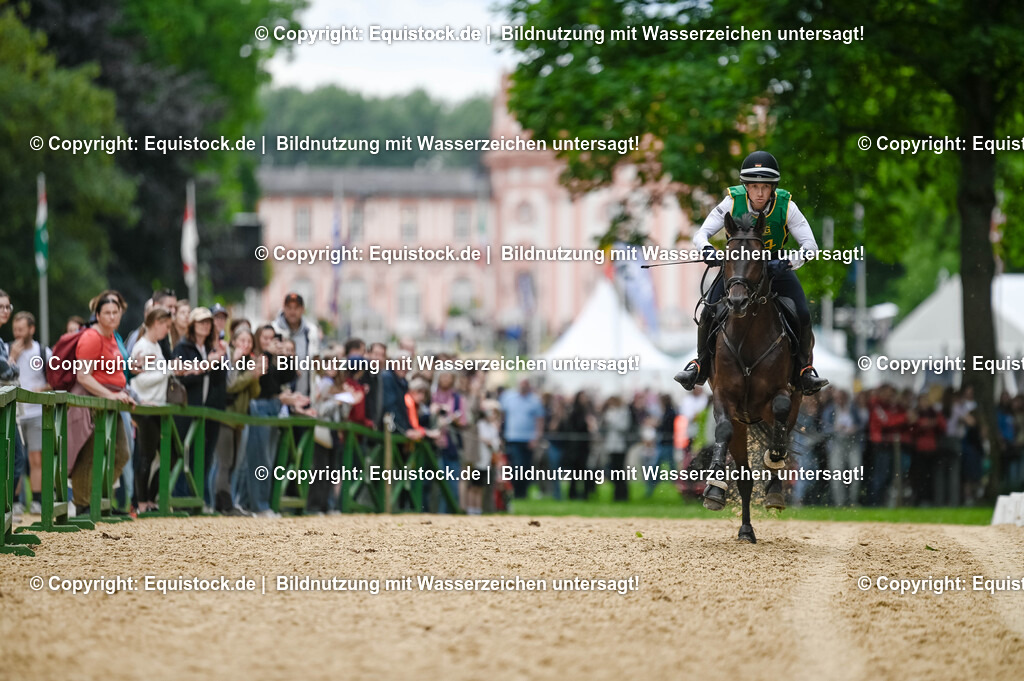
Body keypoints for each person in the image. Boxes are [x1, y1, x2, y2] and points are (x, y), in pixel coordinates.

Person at [675, 151, 829, 395]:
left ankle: (804, 370)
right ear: (745, 187)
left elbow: (810, 247)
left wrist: (788, 263)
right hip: (738, 269)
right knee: (708, 312)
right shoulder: (730, 203)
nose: (759, 193)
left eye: (765, 187)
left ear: (773, 188)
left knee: (801, 313)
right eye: (754, 186)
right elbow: (700, 235)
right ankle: (700, 364)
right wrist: (709, 251)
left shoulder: (787, 207)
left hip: (775, 268)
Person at [67, 291, 136, 514]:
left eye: (115, 312)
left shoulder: (112, 336)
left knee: (121, 453)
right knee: (87, 453)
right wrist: (111, 395)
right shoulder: (91, 337)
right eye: (107, 312)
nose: (112, 316)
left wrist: (123, 392)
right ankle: (83, 505)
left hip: (110, 402)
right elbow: (83, 376)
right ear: (97, 315)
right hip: (90, 402)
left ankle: (100, 499)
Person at [129, 308, 173, 512]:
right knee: (146, 454)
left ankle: (151, 497)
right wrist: (168, 371)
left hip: (157, 405)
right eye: (166, 325)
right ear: (157, 323)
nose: (167, 330)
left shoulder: (154, 346)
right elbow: (139, 379)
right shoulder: (143, 347)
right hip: (146, 406)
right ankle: (142, 501)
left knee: (167, 455)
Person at [214, 326, 263, 515]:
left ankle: (227, 501)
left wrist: (255, 376)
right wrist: (250, 375)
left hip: (239, 418)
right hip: (226, 416)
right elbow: (230, 385)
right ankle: (221, 502)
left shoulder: (247, 362)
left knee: (234, 462)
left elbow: (254, 393)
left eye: (249, 342)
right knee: (225, 462)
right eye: (242, 341)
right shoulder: (230, 358)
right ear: (233, 341)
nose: (245, 345)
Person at [9, 311, 50, 511]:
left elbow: (55, 380)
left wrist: (43, 389)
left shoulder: (43, 352)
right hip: (14, 413)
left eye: (21, 330)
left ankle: (36, 500)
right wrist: (12, 357)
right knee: (15, 457)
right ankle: (14, 501)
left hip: (36, 413)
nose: (17, 334)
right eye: (15, 330)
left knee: (35, 458)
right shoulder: (7, 350)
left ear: (31, 330)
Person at [498, 378, 545, 499]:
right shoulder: (508, 398)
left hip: (528, 439)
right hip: (513, 438)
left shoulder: (535, 401)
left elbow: (539, 421)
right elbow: (501, 416)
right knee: (516, 466)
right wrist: (500, 433)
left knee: (526, 467)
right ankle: (515, 491)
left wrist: (536, 438)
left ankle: (522, 491)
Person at [271, 292, 321, 402]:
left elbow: (316, 362)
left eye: (296, 308)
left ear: (302, 309)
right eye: (289, 308)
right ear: (284, 309)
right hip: (281, 397)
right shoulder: (273, 330)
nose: (292, 312)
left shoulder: (311, 331)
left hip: (305, 396)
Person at [600, 395, 632, 502]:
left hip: (620, 446)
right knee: (613, 471)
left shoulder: (623, 412)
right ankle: (616, 494)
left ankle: (622, 494)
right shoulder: (610, 412)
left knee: (620, 471)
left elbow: (624, 427)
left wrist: (611, 422)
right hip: (611, 446)